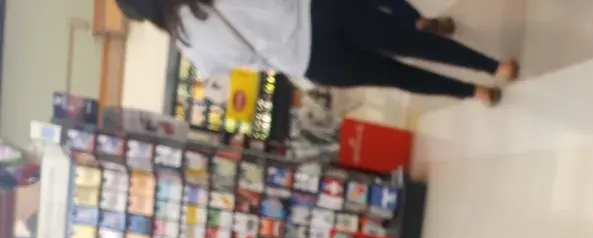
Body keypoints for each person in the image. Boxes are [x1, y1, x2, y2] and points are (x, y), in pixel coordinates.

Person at [115, 0, 519, 105]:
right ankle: (493, 66)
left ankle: (473, 93)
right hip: (319, 12)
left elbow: (238, 68)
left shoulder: (190, 47)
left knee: (396, 75)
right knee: (407, 40)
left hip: (310, 61)